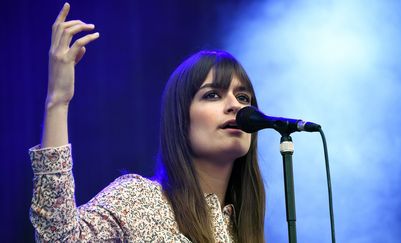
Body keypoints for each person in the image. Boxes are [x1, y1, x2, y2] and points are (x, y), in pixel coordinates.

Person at [29, 3, 265, 242]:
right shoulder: (138, 199)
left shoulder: (243, 228)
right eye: (212, 94)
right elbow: (56, 238)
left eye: (243, 97)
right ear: (180, 120)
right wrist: (57, 100)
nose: (236, 105)